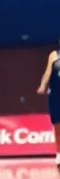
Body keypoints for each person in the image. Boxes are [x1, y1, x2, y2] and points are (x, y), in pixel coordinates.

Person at [36, 40, 60, 171]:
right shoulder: (54, 55)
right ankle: (59, 154)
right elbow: (48, 72)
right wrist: (43, 85)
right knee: (57, 128)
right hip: (56, 96)